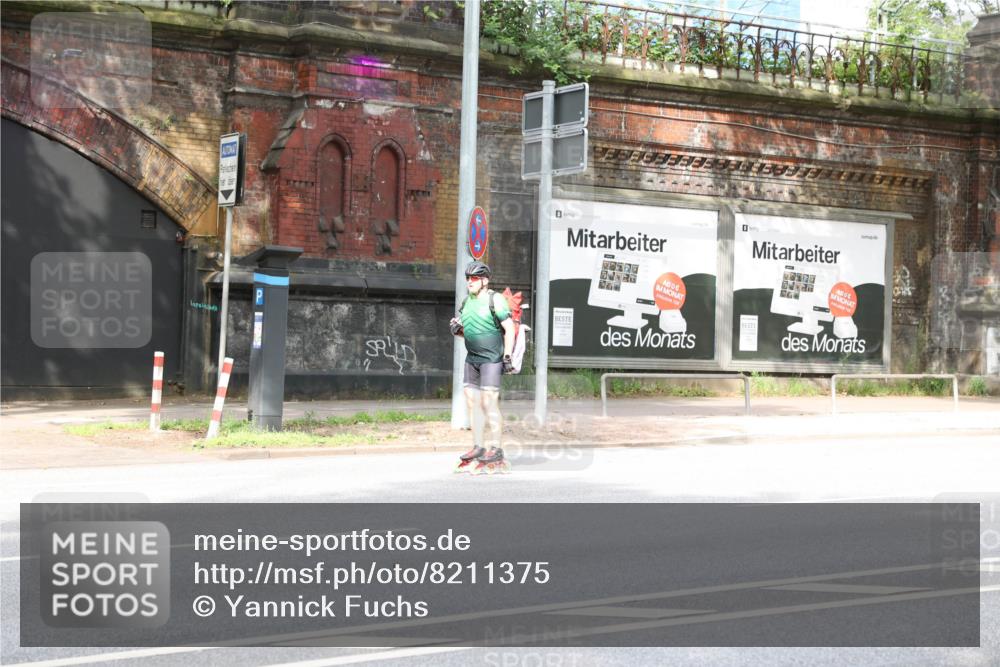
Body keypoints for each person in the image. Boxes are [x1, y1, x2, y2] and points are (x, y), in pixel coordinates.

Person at [450, 260, 515, 474]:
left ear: (485, 281)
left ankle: (496, 449)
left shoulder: (494, 299)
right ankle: (478, 446)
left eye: (474, 278)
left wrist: (507, 356)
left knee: (489, 403)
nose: (470, 282)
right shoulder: (466, 302)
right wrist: (456, 330)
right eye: (468, 278)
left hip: (492, 359)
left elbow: (509, 329)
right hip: (472, 359)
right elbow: (466, 333)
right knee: (472, 403)